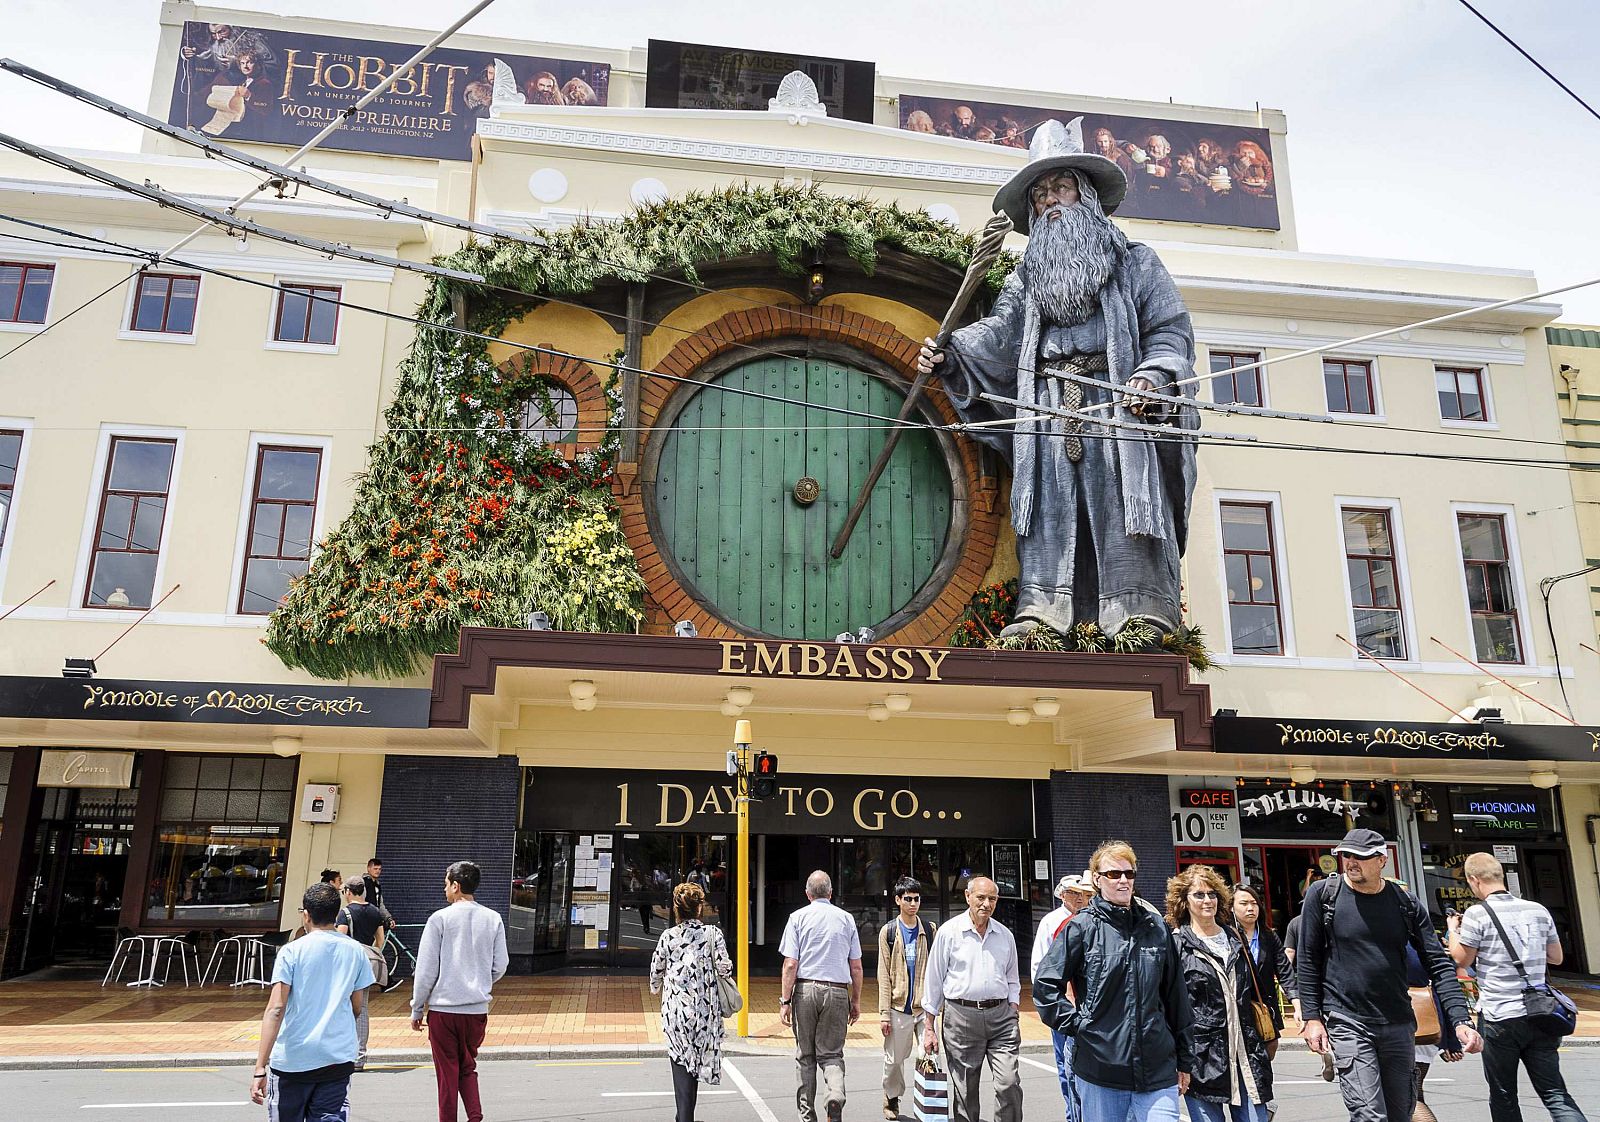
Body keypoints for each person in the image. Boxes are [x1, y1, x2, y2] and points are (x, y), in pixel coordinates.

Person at [918, 116, 1196, 641]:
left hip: (1117, 407)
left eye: (1059, 187)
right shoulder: (1029, 274)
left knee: (1121, 504)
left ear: (1085, 195)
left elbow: (1170, 332)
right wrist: (951, 354)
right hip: (1045, 408)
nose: (1049, 201)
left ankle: (1139, 610)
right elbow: (1002, 332)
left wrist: (1153, 377)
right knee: (1049, 507)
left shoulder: (1136, 263)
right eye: (1040, 193)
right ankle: (1044, 610)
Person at [1297, 829, 1481, 1122]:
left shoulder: (1404, 902)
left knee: (1401, 1113)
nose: (1352, 862)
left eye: (1362, 856)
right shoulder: (1324, 895)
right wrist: (1312, 1017)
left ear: (1382, 860)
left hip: (1398, 1022)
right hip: (1347, 1019)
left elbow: (1438, 963)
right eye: (1348, 855)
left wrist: (1459, 1021)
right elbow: (1307, 960)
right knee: (1369, 1115)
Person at [1034, 840, 1192, 1122]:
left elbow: (1175, 996)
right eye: (1113, 874)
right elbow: (1046, 986)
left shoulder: (1155, 927)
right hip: (1101, 1069)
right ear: (1096, 879)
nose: (1122, 880)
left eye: (1128, 874)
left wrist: (1184, 1058)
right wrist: (1080, 1026)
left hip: (1156, 1068)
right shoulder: (1081, 927)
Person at [1447, 851, 1585, 1122]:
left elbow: (1462, 960)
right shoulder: (1538, 910)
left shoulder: (1477, 913)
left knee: (1503, 1094)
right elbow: (1556, 957)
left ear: (1474, 880)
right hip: (1541, 1014)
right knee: (1555, 1092)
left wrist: (1454, 930)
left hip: (1500, 1015)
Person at [249, 882, 374, 1120]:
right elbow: (357, 1006)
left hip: (293, 1059)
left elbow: (276, 1009)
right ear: (336, 915)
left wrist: (259, 1068)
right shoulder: (356, 951)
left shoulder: (291, 951)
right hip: (337, 1057)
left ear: (306, 915)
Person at [1168, 865, 1272, 1122]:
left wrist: (1272, 1034)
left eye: (1212, 894)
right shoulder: (1176, 944)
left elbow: (1259, 990)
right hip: (1202, 1060)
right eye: (1199, 895)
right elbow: (1169, 1006)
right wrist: (1177, 1059)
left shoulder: (1235, 938)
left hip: (1246, 1055)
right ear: (1184, 901)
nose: (1207, 900)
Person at [411, 861, 509, 1122]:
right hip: (476, 1010)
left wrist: (417, 1007)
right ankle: (475, 1117)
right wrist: (481, 982)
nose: (444, 890)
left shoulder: (440, 919)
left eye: (446, 884)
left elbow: (426, 970)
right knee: (468, 1067)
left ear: (456, 886)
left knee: (447, 1074)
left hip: (444, 1010)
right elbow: (501, 965)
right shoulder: (493, 918)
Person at [922, 876, 1022, 1122]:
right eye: (981, 897)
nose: (986, 904)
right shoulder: (949, 932)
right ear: (967, 897)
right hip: (961, 1018)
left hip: (1001, 1018)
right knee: (965, 1090)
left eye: (992, 899)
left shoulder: (1005, 935)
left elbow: (1012, 978)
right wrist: (929, 1028)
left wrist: (1013, 1008)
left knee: (1009, 1083)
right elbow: (933, 981)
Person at [779, 870, 863, 1122]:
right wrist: (856, 1001)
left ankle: (807, 1116)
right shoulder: (846, 919)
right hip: (837, 991)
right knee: (832, 1054)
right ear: (830, 893)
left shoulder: (797, 918)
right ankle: (834, 1095)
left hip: (805, 990)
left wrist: (785, 1000)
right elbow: (856, 966)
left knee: (805, 1055)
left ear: (807, 894)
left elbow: (790, 964)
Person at [650, 881, 733, 1122]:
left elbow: (656, 970)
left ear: (677, 909)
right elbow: (725, 968)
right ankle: (685, 1116)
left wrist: (656, 987)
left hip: (676, 1011)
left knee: (681, 1061)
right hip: (705, 1011)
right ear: (700, 908)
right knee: (694, 1064)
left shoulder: (668, 937)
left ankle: (684, 1117)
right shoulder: (712, 934)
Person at [1032, 873, 1092, 1119]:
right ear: (1061, 895)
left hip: (1089, 1008)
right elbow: (1040, 966)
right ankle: (1072, 1114)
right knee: (1064, 1066)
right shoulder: (1052, 921)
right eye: (1073, 893)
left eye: (1084, 894)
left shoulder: (1091, 919)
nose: (1079, 898)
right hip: (1065, 1009)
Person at [878, 876, 933, 1121]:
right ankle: (891, 1097)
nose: (913, 903)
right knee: (894, 1062)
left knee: (929, 1056)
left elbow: (937, 970)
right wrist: (883, 1013)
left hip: (924, 1009)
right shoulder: (889, 932)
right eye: (908, 899)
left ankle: (928, 1102)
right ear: (898, 900)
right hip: (898, 1007)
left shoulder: (930, 931)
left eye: (917, 899)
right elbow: (883, 976)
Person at [1230, 881, 1299, 1049]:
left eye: (1254, 903)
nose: (1250, 908)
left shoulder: (1268, 936)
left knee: (1271, 1047)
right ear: (1231, 907)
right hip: (1237, 1007)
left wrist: (1297, 1004)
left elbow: (1284, 971)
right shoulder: (1226, 935)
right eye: (1244, 903)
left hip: (1265, 1007)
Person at [338, 879, 388, 1070]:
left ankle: (344, 1053)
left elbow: (340, 939)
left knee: (343, 1006)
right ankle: (360, 1055)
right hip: (366, 964)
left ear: (349, 892)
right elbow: (380, 940)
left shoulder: (346, 913)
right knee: (363, 1008)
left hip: (349, 964)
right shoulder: (375, 911)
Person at [360, 858, 394, 929]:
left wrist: (388, 918)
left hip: (374, 919)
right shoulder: (363, 883)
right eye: (375, 869)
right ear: (368, 868)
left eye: (379, 869)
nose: (378, 871)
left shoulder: (377, 885)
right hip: (365, 920)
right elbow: (360, 902)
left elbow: (380, 904)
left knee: (379, 939)